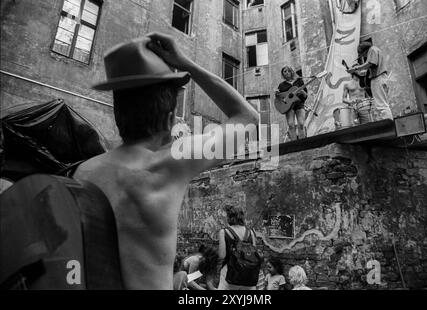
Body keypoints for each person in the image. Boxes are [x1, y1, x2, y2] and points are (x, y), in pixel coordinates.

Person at [73, 33, 258, 289]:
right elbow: (248, 118)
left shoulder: (84, 172)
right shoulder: (171, 163)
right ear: (171, 117)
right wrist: (188, 64)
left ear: (118, 113)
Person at [348, 41, 393, 121]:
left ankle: (388, 125)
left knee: (381, 106)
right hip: (381, 78)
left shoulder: (372, 50)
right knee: (382, 104)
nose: (364, 57)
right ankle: (388, 123)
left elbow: (370, 63)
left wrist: (355, 68)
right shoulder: (376, 51)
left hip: (378, 79)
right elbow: (371, 66)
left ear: (365, 51)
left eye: (363, 55)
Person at [218, 205, 260, 290]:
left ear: (229, 217)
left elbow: (222, 255)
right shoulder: (251, 232)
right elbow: (254, 254)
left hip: (230, 272)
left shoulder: (224, 232)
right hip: (249, 274)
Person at [276, 66, 308, 140]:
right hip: (289, 107)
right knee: (291, 125)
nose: (287, 73)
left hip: (299, 104)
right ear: (282, 74)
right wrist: (277, 94)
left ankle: (302, 143)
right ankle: (294, 143)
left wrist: (303, 92)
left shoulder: (299, 81)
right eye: (285, 71)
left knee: (301, 124)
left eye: (288, 71)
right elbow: (279, 97)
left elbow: (306, 96)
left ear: (291, 72)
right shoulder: (281, 85)